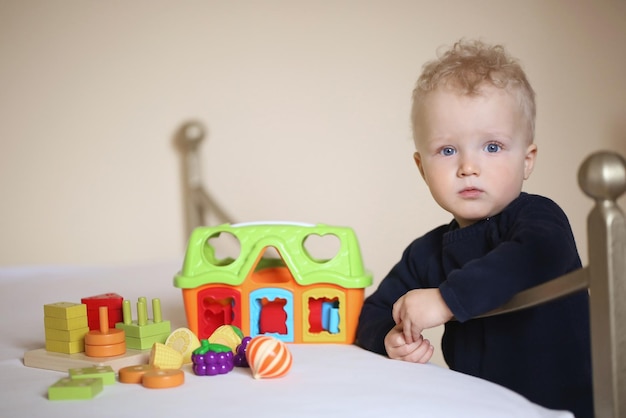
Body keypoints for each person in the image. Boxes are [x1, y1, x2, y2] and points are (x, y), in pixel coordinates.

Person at [356, 39, 593, 417]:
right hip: (476, 408)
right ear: (422, 168)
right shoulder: (427, 252)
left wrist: (446, 300)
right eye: (448, 150)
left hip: (562, 406)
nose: (469, 166)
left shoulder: (539, 220)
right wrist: (388, 335)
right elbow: (372, 310)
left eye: (493, 147)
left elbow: (531, 259)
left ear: (527, 160)